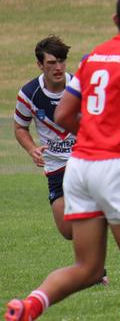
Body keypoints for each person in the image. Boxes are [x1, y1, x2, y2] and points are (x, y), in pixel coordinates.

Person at [4, 0, 120, 321]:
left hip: (80, 166)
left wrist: (93, 134)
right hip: (118, 165)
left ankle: (29, 306)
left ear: (116, 20)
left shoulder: (92, 58)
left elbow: (64, 115)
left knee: (87, 267)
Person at [14, 36, 77, 241]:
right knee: (68, 231)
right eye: (51, 62)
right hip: (55, 165)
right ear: (40, 65)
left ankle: (98, 272)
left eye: (61, 61)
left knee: (87, 219)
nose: (58, 67)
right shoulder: (28, 94)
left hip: (84, 161)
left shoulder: (80, 87)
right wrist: (32, 149)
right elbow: (20, 127)